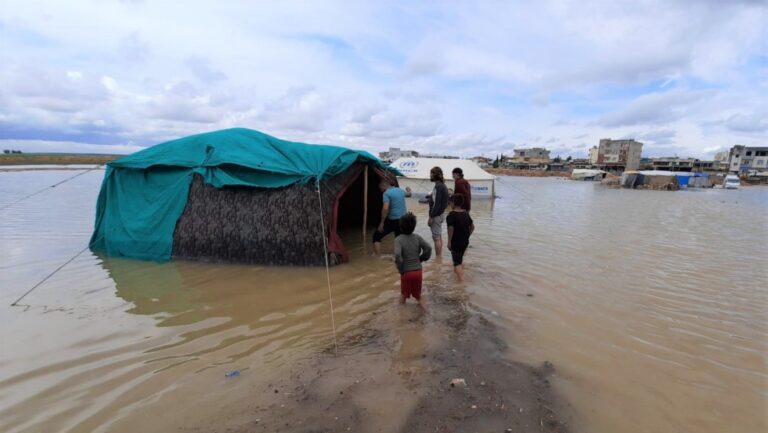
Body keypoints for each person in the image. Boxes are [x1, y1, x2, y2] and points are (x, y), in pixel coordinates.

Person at [394, 212, 432, 307]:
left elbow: (398, 255)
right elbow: (429, 248)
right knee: (418, 296)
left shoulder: (398, 239)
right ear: (414, 226)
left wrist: (400, 269)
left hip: (406, 273)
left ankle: (401, 318)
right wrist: (421, 259)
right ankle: (425, 312)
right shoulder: (417, 237)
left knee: (403, 296)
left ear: (400, 226)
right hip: (418, 271)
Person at [373, 180, 410, 255]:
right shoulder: (400, 190)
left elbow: (385, 209)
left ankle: (378, 258)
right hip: (403, 219)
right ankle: (400, 256)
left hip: (393, 220)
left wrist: (382, 223)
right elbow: (409, 194)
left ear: (383, 187)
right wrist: (409, 190)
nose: (381, 191)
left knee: (376, 236)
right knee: (399, 238)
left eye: (381, 190)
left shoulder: (386, 193)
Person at [446, 193, 474, 282]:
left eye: (450, 202)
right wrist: (467, 236)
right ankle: (457, 277)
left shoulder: (451, 215)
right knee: (458, 260)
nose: (450, 204)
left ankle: (461, 283)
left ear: (453, 203)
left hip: (456, 242)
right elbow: (472, 227)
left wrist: (449, 241)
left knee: (457, 263)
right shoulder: (466, 213)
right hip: (465, 242)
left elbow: (451, 228)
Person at [427, 166, 449, 257]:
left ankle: (438, 259)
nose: (430, 176)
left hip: (436, 215)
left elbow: (437, 204)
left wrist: (431, 217)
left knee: (436, 238)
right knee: (438, 236)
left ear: (435, 175)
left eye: (431, 174)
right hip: (441, 214)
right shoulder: (442, 185)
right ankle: (439, 258)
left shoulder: (438, 186)